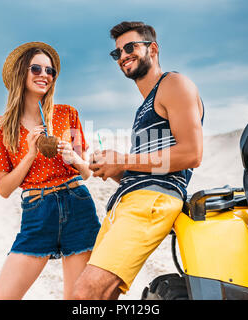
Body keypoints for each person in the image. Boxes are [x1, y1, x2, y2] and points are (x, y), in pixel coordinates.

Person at [72, 21, 204, 299]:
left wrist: (124, 159)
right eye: (117, 52)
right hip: (131, 198)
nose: (122, 56)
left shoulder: (174, 84)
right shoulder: (144, 107)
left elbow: (192, 154)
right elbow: (149, 168)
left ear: (152, 49)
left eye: (130, 47)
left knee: (85, 294)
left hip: (151, 201)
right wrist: (113, 167)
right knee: (97, 296)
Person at [0, 42, 100, 300]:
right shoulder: (2, 127)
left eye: (50, 71)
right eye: (36, 68)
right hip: (38, 211)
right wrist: (29, 155)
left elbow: (87, 173)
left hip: (77, 205)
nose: (45, 75)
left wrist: (74, 157)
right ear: (21, 72)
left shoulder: (67, 114)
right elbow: (4, 189)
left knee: (78, 302)